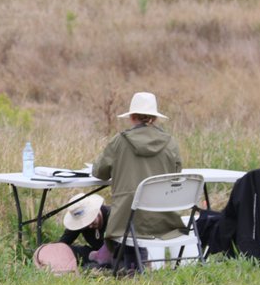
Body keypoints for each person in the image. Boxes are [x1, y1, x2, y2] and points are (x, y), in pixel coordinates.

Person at [92, 92, 185, 262]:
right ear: (155, 118)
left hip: (126, 222)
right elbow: (176, 177)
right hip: (163, 222)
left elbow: (99, 172)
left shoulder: (119, 141)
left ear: (132, 116)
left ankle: (113, 261)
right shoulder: (170, 143)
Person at [59, 192, 111, 266]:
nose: (89, 226)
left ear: (96, 211)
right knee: (68, 250)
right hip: (94, 254)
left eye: (91, 220)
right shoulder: (81, 224)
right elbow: (64, 242)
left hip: (116, 255)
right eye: (86, 224)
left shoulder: (112, 216)